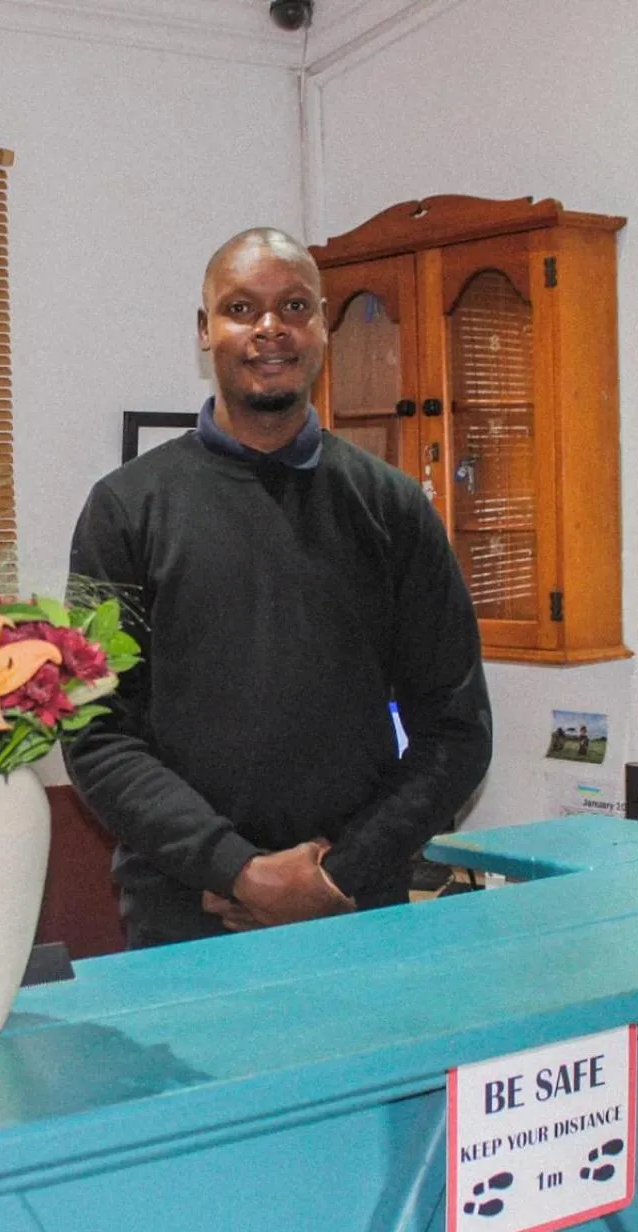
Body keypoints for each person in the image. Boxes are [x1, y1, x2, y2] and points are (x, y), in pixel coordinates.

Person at [64, 227, 492, 947]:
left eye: (295, 307)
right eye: (241, 308)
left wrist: (339, 874)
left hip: (353, 911)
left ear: (323, 324)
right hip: (184, 918)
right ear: (206, 332)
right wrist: (239, 870)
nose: (271, 330)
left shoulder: (393, 508)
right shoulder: (124, 508)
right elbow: (96, 732)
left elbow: (455, 731)